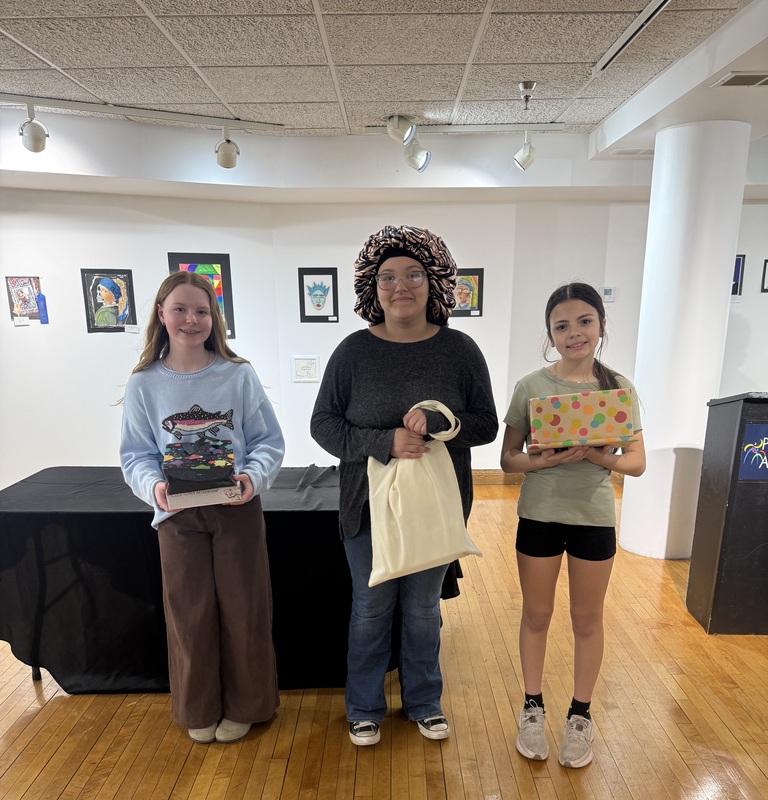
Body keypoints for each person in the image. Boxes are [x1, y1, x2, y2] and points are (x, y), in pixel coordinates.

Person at [310, 225, 498, 747]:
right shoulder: (351, 353)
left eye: (413, 274)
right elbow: (323, 425)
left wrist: (440, 423)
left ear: (433, 281)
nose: (401, 286)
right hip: (364, 506)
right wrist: (383, 441)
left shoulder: (460, 350)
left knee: (422, 609)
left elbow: (486, 424)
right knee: (370, 608)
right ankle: (364, 707)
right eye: (387, 276)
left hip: (435, 506)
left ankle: (424, 701)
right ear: (373, 286)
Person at [120, 270, 285, 744]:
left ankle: (248, 705)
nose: (191, 319)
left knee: (244, 608)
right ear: (161, 315)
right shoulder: (144, 385)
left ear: (213, 317)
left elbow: (269, 443)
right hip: (176, 515)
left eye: (201, 310)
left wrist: (252, 479)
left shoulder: (238, 375)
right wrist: (154, 488)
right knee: (188, 613)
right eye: (180, 309)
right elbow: (135, 454)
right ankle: (197, 706)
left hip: (236, 508)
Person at [500, 282, 646, 768]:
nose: (574, 333)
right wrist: (549, 459)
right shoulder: (531, 387)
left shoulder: (619, 388)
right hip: (539, 514)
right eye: (561, 325)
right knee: (536, 614)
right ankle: (532, 708)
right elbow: (509, 459)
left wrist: (601, 456)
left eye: (584, 321)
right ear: (550, 333)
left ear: (601, 325)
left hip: (594, 517)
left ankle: (581, 716)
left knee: (587, 619)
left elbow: (638, 462)